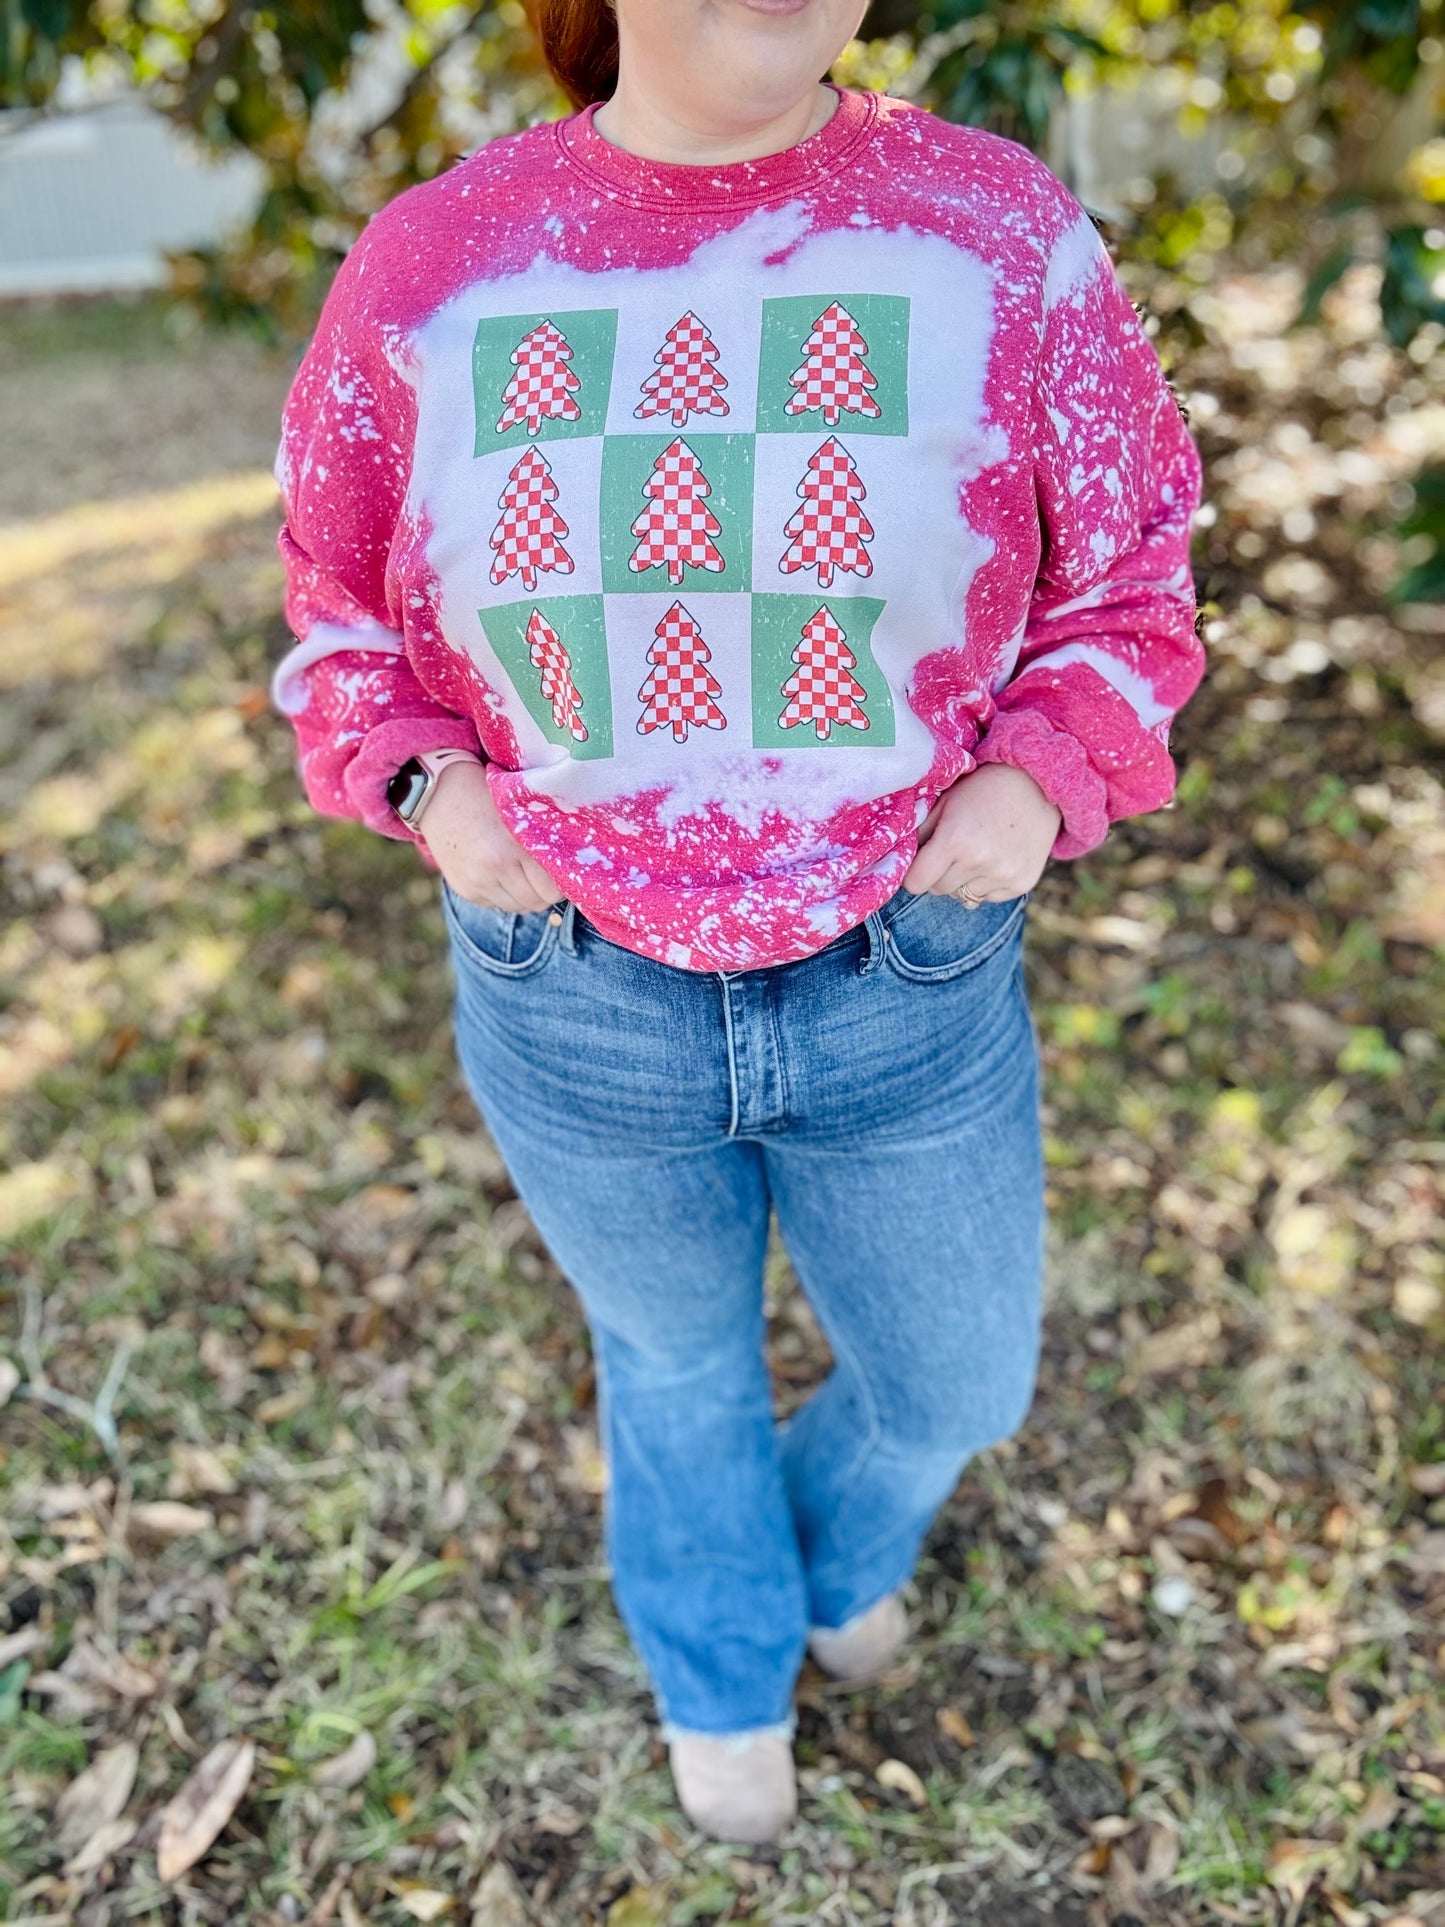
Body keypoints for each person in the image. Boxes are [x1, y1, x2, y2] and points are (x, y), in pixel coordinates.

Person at [270, 0, 1205, 1845]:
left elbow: (1134, 569)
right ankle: (718, 1659)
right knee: (673, 1357)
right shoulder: (437, 261)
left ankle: (833, 1548)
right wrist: (439, 800)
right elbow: (334, 611)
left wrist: (1035, 781)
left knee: (959, 1376)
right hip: (573, 983)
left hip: (903, 973)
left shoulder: (998, 233)